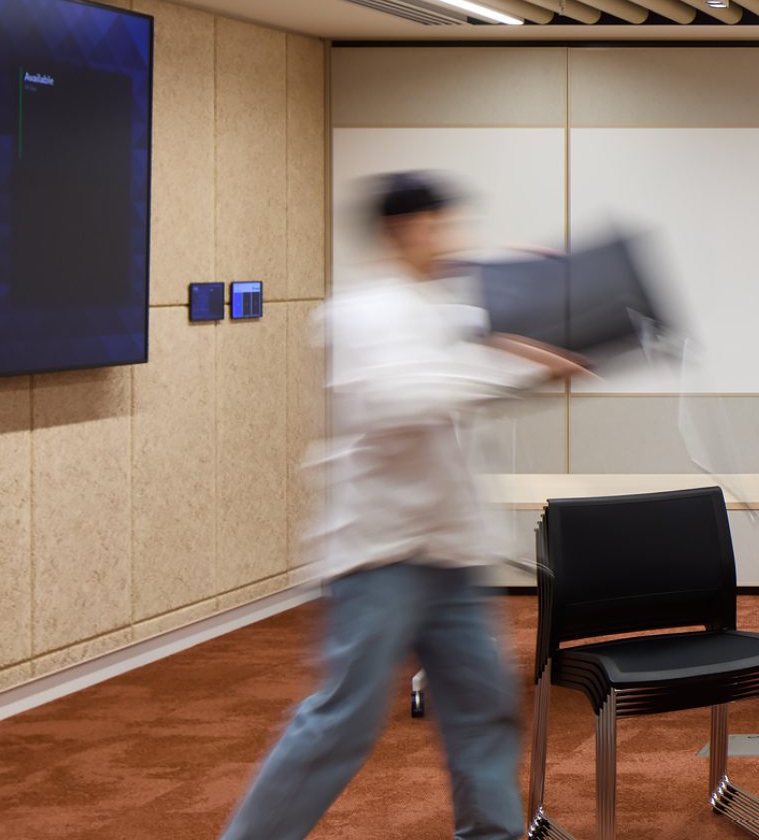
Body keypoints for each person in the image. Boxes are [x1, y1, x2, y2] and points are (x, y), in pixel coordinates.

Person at [220, 172, 585, 840]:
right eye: (442, 227)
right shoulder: (356, 313)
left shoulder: (437, 309)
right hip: (379, 555)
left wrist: (545, 305)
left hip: (447, 553)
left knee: (482, 708)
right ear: (406, 228)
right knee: (345, 720)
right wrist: (516, 364)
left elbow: (488, 345)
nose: (453, 241)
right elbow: (404, 398)